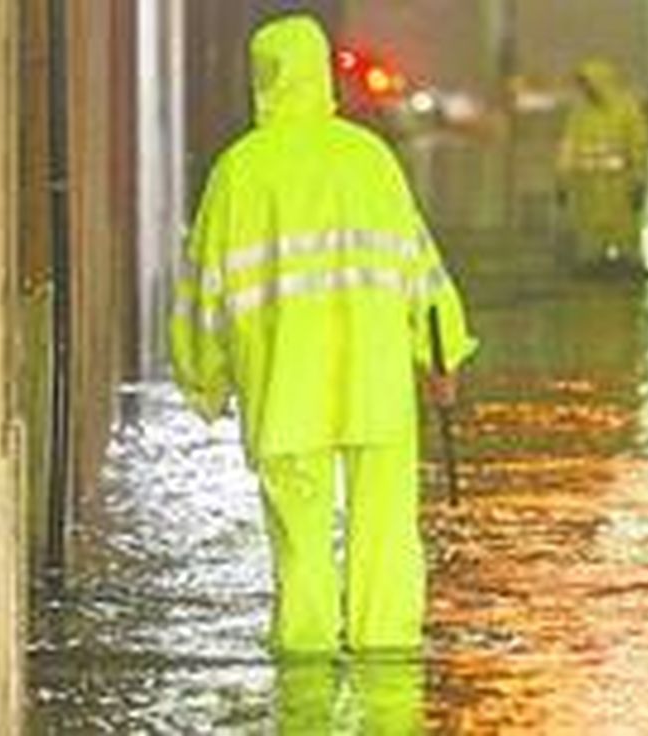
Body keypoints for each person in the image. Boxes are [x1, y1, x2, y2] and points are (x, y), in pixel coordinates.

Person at [170, 13, 477, 656]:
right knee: (386, 534)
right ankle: (387, 669)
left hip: (286, 390)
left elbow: (203, 292)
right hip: (377, 387)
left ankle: (304, 680)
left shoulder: (238, 173)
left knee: (300, 543)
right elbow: (418, 268)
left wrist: (204, 377)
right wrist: (442, 351)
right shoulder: (370, 160)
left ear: (258, 80)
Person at [555, 59, 648, 275]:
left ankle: (629, 260)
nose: (586, 89)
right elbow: (569, 146)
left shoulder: (627, 110)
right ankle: (592, 260)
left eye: (588, 83)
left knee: (625, 226)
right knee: (590, 226)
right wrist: (562, 180)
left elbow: (639, 146)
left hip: (620, 184)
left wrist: (639, 180)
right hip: (588, 185)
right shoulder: (580, 112)